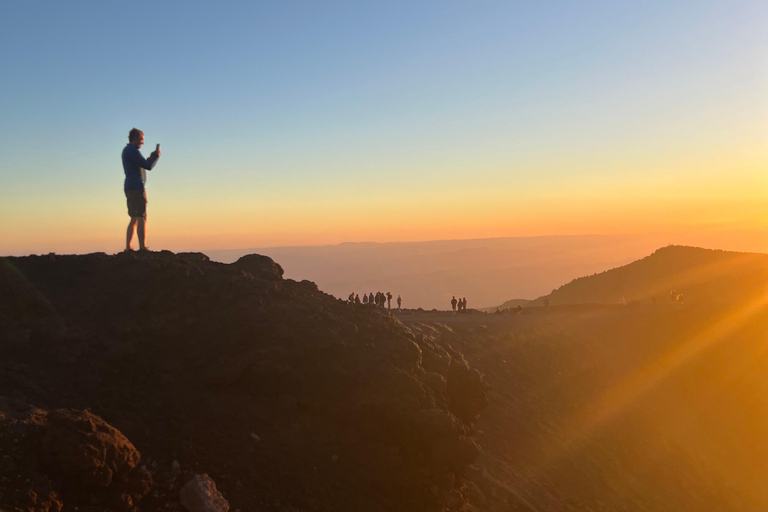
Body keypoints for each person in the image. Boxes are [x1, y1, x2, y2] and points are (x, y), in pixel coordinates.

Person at [123, 128, 161, 251]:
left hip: (130, 187)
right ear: (134, 138)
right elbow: (148, 166)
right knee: (141, 216)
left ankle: (128, 247)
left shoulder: (128, 151)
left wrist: (150, 158)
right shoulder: (132, 151)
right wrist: (156, 157)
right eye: (141, 139)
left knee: (134, 217)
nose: (142, 142)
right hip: (136, 188)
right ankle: (142, 247)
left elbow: (143, 163)